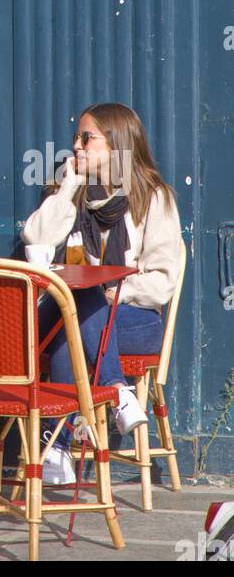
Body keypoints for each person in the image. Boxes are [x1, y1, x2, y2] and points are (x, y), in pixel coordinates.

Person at [22, 102, 183, 485]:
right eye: (76, 137)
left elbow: (163, 280)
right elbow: (36, 239)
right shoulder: (69, 193)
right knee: (75, 310)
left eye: (86, 137)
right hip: (78, 317)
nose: (75, 145)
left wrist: (120, 291)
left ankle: (57, 448)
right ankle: (117, 392)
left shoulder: (153, 198)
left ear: (116, 144)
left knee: (80, 305)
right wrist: (70, 185)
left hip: (135, 318)